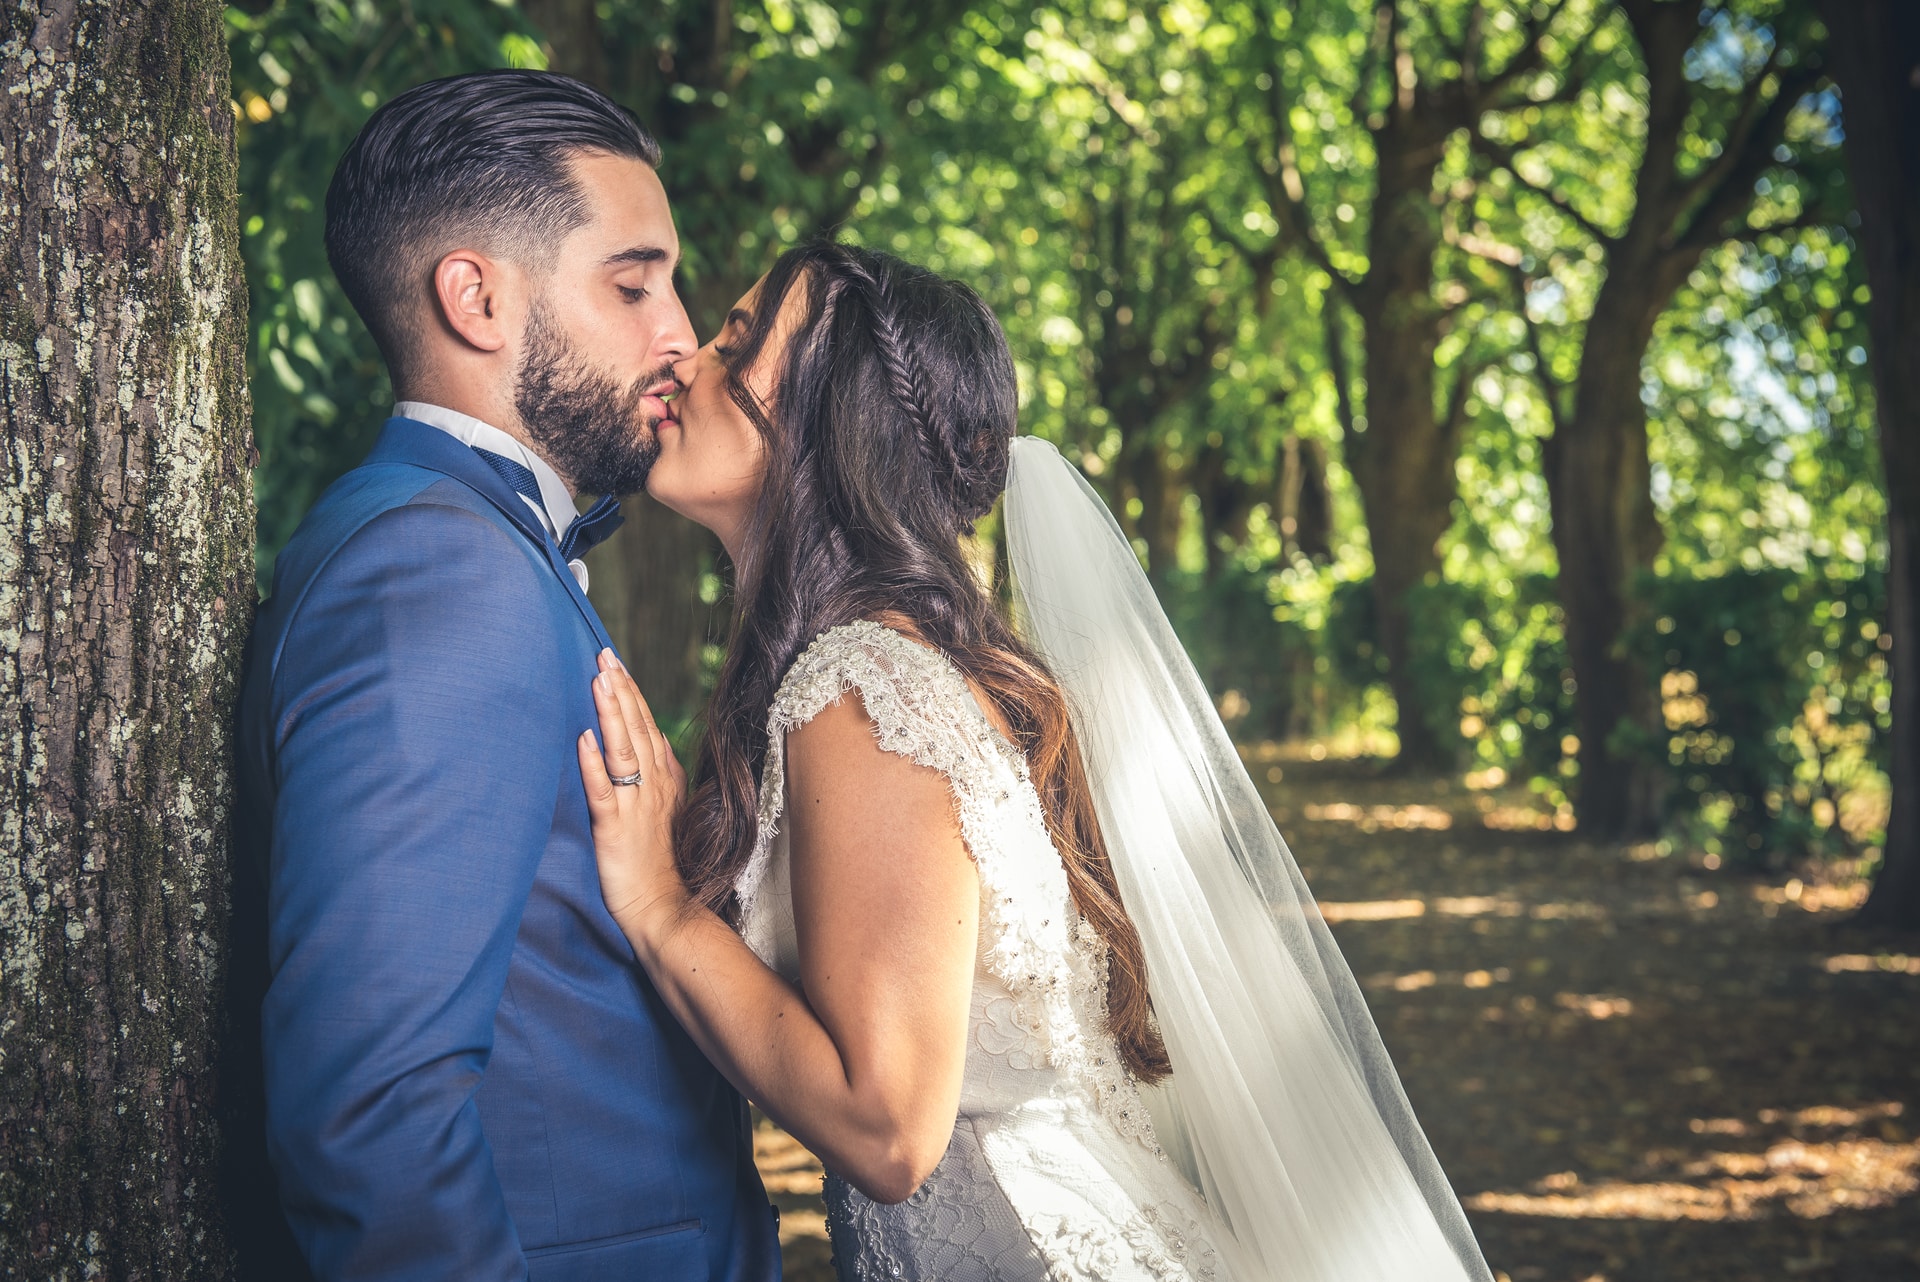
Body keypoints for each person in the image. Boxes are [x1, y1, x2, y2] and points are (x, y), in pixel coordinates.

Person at [574, 241, 1498, 1281]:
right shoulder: (886, 669)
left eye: (736, 342)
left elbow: (887, 1128)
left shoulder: (864, 691)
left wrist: (660, 910)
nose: (687, 359)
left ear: (835, 418)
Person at [234, 70, 781, 1281]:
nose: (680, 333)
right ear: (476, 297)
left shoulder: (470, 545)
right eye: (633, 283)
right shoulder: (439, 570)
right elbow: (371, 1113)